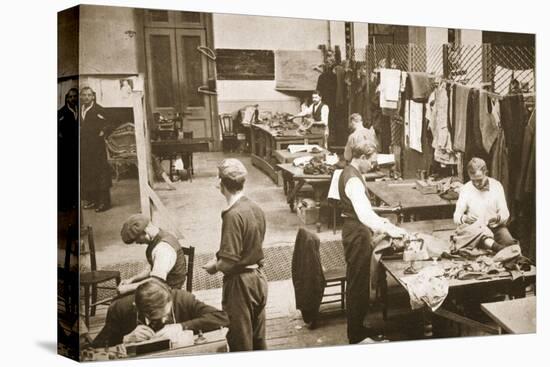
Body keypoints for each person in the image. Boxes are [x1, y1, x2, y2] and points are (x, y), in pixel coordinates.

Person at [338, 141, 407, 344]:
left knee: (359, 283)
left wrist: (383, 221)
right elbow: (365, 215)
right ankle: (356, 335)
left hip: (356, 229)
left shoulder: (350, 172)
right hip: (357, 233)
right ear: (361, 158)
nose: (373, 165)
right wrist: (390, 229)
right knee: (357, 285)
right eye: (372, 161)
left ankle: (358, 326)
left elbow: (365, 211)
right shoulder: (353, 180)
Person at [203, 158, 268, 351]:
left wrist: (214, 266)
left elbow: (229, 262)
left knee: (240, 341)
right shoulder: (255, 207)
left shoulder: (232, 215)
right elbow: (251, 245)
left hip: (240, 285)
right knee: (258, 339)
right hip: (258, 279)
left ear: (221, 184)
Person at [92, 278, 229, 347]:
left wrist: (181, 326)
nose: (163, 321)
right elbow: (95, 349)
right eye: (155, 317)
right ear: (137, 308)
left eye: (166, 314)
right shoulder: (120, 309)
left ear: (170, 299)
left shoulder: (182, 299)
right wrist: (124, 340)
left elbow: (222, 318)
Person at [453, 157, 518, 252]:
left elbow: (505, 213)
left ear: (486, 173)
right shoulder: (466, 189)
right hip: (476, 229)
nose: (476, 184)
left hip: (495, 227)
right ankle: (497, 248)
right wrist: (464, 218)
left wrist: (497, 218)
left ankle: (508, 252)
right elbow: (456, 216)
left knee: (510, 245)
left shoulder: (496, 185)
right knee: (480, 239)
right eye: (473, 180)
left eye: (479, 180)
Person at [119, 214, 187, 294]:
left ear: (145, 232)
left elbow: (157, 280)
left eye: (136, 239)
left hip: (169, 293)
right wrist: (132, 280)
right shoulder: (159, 237)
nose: (137, 242)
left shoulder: (163, 248)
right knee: (124, 299)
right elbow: (152, 270)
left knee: (121, 304)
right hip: (161, 287)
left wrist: (128, 288)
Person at [80, 86, 113, 212]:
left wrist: (104, 131)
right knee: (89, 173)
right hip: (84, 147)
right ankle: (94, 200)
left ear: (93, 96)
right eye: (84, 95)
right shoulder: (80, 109)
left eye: (89, 95)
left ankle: (104, 203)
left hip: (96, 147)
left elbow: (111, 121)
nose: (86, 97)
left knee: (101, 173)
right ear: (81, 97)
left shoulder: (98, 109)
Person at [58, 88, 79, 212]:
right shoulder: (61, 112)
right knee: (65, 176)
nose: (73, 99)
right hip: (64, 150)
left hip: (75, 148)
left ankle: (73, 202)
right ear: (67, 98)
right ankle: (63, 204)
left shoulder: (79, 110)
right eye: (70, 97)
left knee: (74, 175)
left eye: (75, 96)